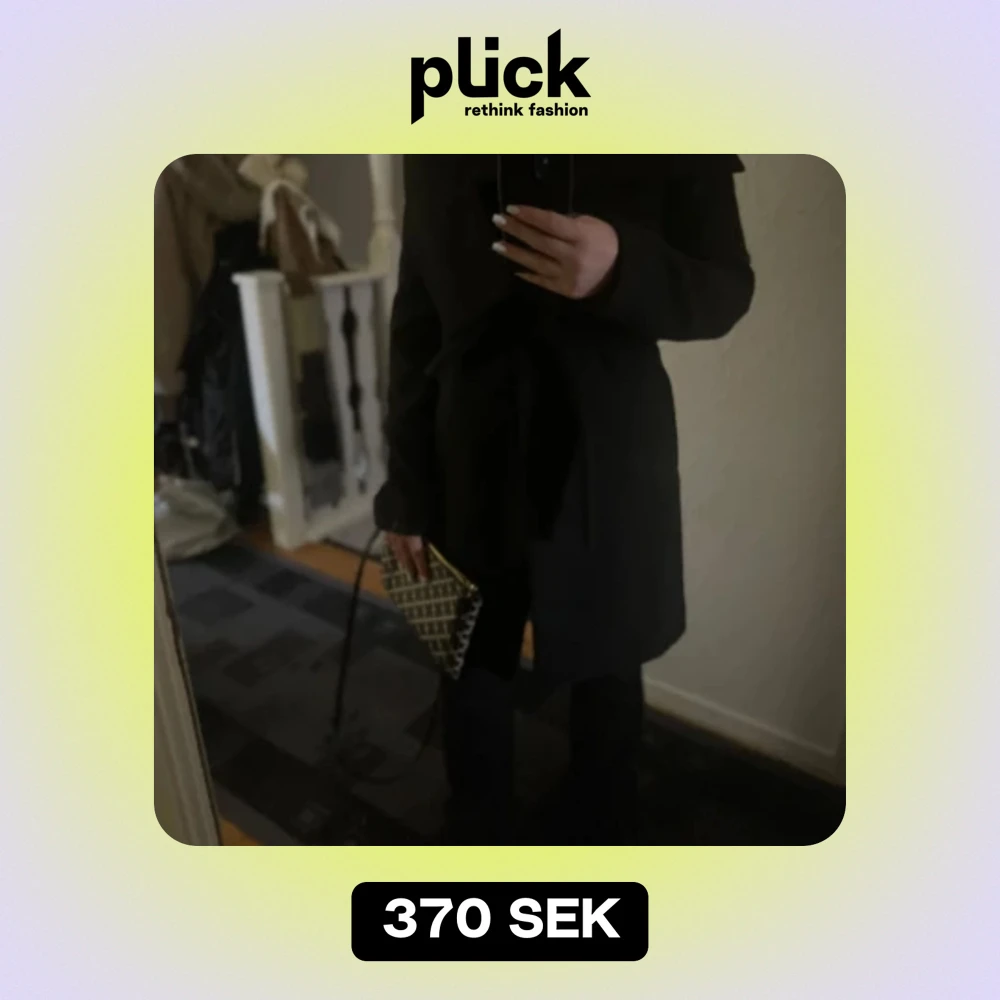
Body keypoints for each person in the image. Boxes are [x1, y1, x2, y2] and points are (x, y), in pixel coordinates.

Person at [374, 154, 755, 845]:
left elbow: (726, 287)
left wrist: (624, 267)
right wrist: (404, 488)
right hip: (466, 445)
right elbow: (417, 316)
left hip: (607, 451)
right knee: (469, 655)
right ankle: (476, 835)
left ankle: (604, 825)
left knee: (608, 658)